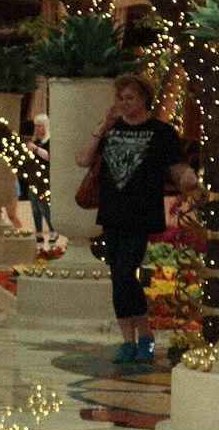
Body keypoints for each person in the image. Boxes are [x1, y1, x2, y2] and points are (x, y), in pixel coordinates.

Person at [74, 72, 197, 364]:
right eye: (121, 98)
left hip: (141, 213)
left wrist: (188, 177)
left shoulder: (161, 132)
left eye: (131, 98)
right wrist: (103, 126)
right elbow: (81, 159)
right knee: (119, 276)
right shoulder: (112, 129)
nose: (125, 103)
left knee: (126, 271)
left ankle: (145, 335)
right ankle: (130, 339)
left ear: (144, 99)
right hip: (112, 211)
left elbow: (176, 168)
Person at [22, 113, 57, 251]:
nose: (37, 129)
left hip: (45, 177)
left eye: (39, 126)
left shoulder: (48, 142)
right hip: (33, 178)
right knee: (35, 207)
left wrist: (35, 150)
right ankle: (39, 232)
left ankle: (53, 230)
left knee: (44, 206)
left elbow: (49, 157)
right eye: (35, 126)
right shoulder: (35, 142)